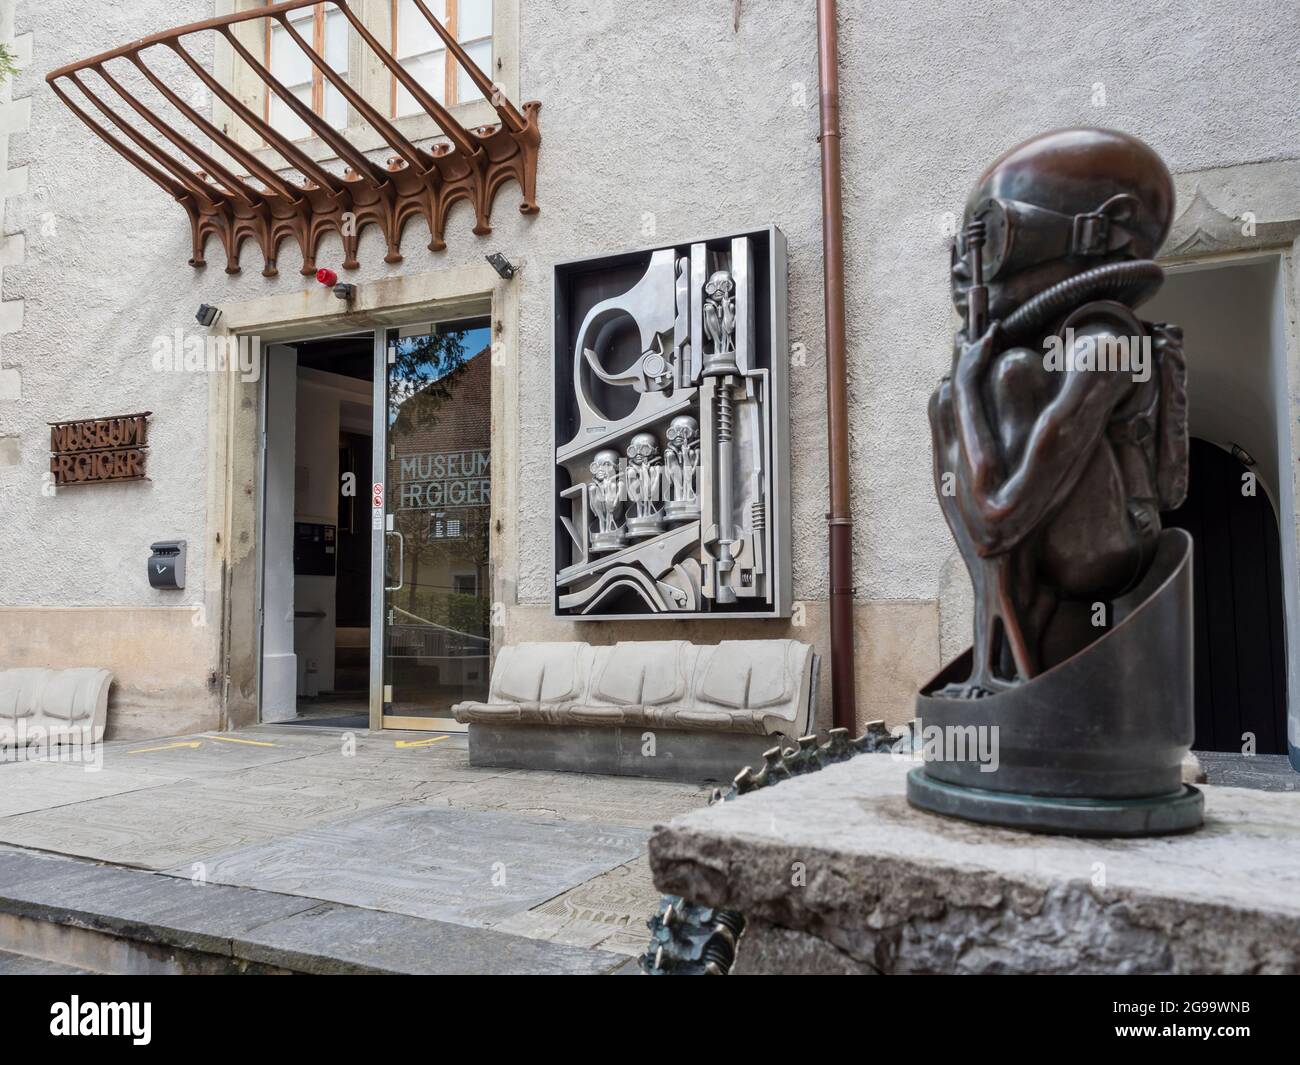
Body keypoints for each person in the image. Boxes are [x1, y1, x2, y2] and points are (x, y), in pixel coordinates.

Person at [930, 128, 1186, 698]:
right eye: (963, 247)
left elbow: (998, 518)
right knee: (948, 398)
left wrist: (972, 386)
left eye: (993, 236)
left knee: (1006, 378)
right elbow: (991, 523)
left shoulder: (1106, 346)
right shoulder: (1011, 364)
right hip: (1034, 553)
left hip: (1109, 554)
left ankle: (1014, 667)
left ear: (1104, 230)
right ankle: (997, 663)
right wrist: (962, 391)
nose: (967, 267)